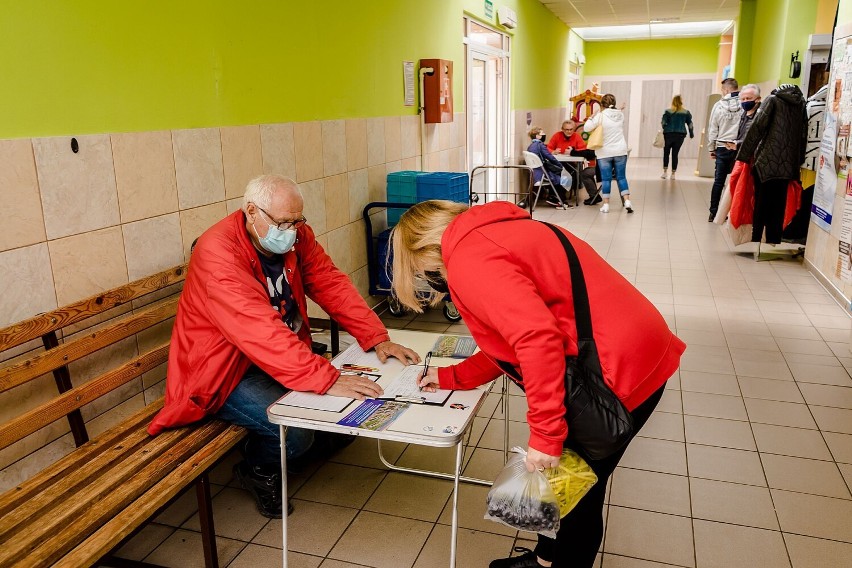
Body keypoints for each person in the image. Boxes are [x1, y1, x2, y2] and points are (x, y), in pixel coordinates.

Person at [390, 200, 685, 568]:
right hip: (629, 351)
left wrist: (546, 435)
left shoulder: (468, 258)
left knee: (578, 493)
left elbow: (536, 338)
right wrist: (452, 376)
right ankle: (544, 561)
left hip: (614, 373)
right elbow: (513, 340)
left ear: (422, 250)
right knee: (562, 484)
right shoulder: (501, 231)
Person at [147, 174, 420, 518]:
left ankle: (301, 442)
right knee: (297, 433)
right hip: (224, 373)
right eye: (283, 222)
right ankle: (257, 469)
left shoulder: (295, 237)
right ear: (251, 212)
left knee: (331, 415)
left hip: (277, 355)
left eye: (297, 221)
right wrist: (326, 379)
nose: (292, 230)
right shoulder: (218, 252)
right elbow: (258, 329)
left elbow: (330, 283)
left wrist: (376, 336)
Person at [736, 84, 808, 244]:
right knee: (778, 207)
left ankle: (756, 241)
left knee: (761, 204)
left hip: (766, 161)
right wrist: (798, 161)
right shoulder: (800, 103)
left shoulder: (772, 100)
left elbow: (757, 128)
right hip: (788, 165)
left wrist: (743, 156)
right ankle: (773, 242)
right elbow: (803, 133)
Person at [581, 94, 633, 213]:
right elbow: (614, 114)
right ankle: (627, 201)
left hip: (605, 153)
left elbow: (586, 128)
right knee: (621, 177)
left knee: (606, 179)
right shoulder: (620, 114)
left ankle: (606, 205)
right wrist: (619, 109)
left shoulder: (599, 116)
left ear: (601, 104)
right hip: (620, 151)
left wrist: (591, 117)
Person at [707, 77, 743, 221]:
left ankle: (713, 212)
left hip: (722, 146)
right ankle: (732, 213)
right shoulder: (745, 104)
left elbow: (713, 128)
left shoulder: (718, 106)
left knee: (718, 181)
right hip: (739, 147)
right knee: (737, 182)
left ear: (726, 89)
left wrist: (711, 148)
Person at [547, 119, 599, 204]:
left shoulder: (577, 136)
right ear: (562, 129)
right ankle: (558, 197)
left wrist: (573, 151)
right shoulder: (557, 136)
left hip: (572, 163)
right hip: (559, 163)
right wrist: (553, 151)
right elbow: (548, 148)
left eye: (571, 129)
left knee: (570, 173)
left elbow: (583, 149)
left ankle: (559, 197)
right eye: (567, 129)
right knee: (560, 172)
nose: (569, 131)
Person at [526, 126, 571, 208]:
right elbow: (550, 157)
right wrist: (560, 166)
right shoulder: (540, 145)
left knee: (558, 176)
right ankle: (559, 201)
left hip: (535, 173)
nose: (544, 135)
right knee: (564, 178)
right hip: (542, 174)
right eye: (542, 133)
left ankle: (554, 198)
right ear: (537, 136)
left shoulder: (531, 146)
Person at [660, 95, 694, 179]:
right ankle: (673, 174)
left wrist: (665, 127)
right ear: (681, 102)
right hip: (680, 135)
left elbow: (663, 122)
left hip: (668, 134)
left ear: (673, 101)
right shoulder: (686, 112)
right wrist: (691, 133)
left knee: (666, 153)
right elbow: (690, 124)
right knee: (675, 154)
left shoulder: (668, 111)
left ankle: (665, 173)